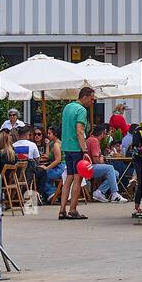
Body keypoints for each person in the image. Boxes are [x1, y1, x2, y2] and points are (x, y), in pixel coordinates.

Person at [58, 87, 94, 220]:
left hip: (66, 147)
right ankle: (73, 210)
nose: (92, 102)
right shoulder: (81, 110)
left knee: (68, 178)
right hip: (77, 148)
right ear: (84, 97)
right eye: (91, 99)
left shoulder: (67, 107)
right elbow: (79, 131)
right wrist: (84, 150)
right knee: (78, 179)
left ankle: (62, 210)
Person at [86, 123, 125, 202]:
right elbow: (96, 160)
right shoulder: (94, 141)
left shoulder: (90, 139)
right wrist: (102, 160)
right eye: (105, 133)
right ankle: (115, 194)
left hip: (88, 166)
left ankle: (99, 191)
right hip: (90, 167)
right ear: (102, 133)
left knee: (115, 173)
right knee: (110, 168)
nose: (105, 136)